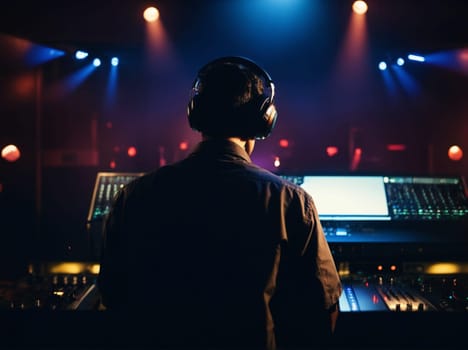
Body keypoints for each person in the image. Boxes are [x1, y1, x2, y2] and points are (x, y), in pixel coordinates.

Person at [97, 56, 342, 350]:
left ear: (196, 114)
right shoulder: (291, 202)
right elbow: (322, 312)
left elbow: (112, 298)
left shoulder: (134, 196)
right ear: (263, 119)